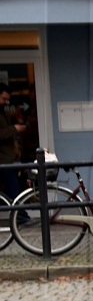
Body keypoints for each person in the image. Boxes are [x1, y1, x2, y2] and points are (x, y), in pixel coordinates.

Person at [0, 83, 29, 217]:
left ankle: (20, 216)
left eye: (7, 99)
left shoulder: (3, 111)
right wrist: (14, 128)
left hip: (8, 158)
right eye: (3, 99)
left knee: (12, 190)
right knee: (13, 190)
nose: (6, 102)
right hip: (4, 160)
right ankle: (21, 217)